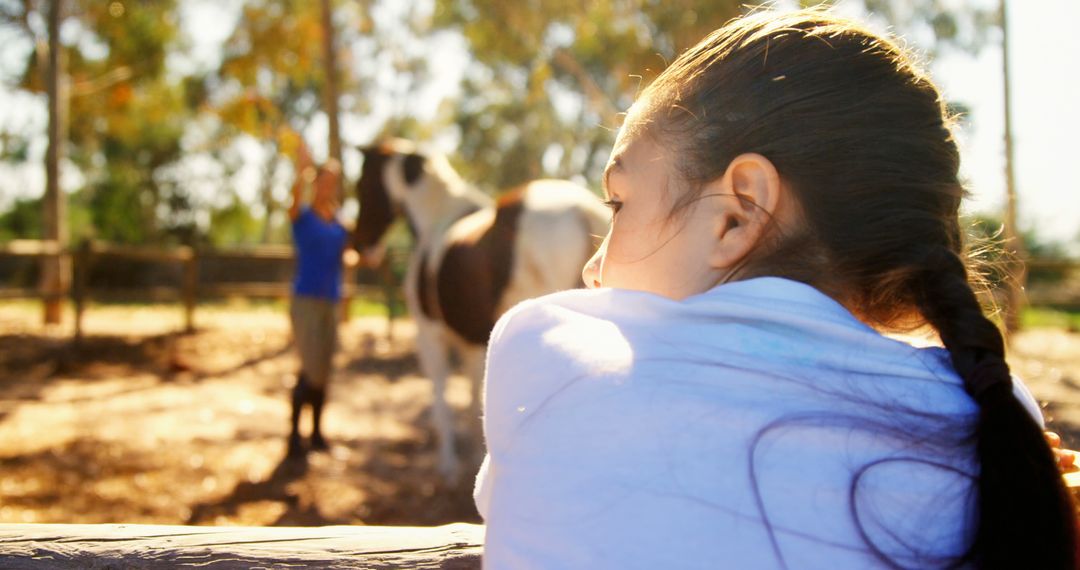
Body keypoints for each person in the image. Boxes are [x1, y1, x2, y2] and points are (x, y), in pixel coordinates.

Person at [473, 9, 1076, 570]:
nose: (591, 269)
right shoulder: (998, 419)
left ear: (737, 214)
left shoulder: (542, 349)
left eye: (618, 203)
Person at [286, 141, 351, 457]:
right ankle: (294, 435)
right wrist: (301, 173)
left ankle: (316, 434)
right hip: (306, 301)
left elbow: (348, 255)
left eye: (333, 182)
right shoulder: (304, 216)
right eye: (323, 180)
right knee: (309, 367)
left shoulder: (339, 221)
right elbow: (293, 203)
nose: (328, 186)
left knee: (324, 368)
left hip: (331, 301)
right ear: (316, 182)